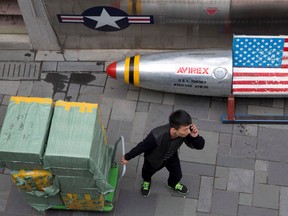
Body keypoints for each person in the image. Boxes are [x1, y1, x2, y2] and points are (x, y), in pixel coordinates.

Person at [121, 110, 205, 197]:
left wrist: (195, 137)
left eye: (189, 127)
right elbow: (142, 147)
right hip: (153, 159)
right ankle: (146, 181)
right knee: (147, 173)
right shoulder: (156, 135)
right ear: (174, 130)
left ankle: (172, 183)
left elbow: (200, 146)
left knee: (177, 175)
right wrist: (127, 157)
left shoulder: (185, 134)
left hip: (171, 157)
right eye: (185, 129)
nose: (188, 131)